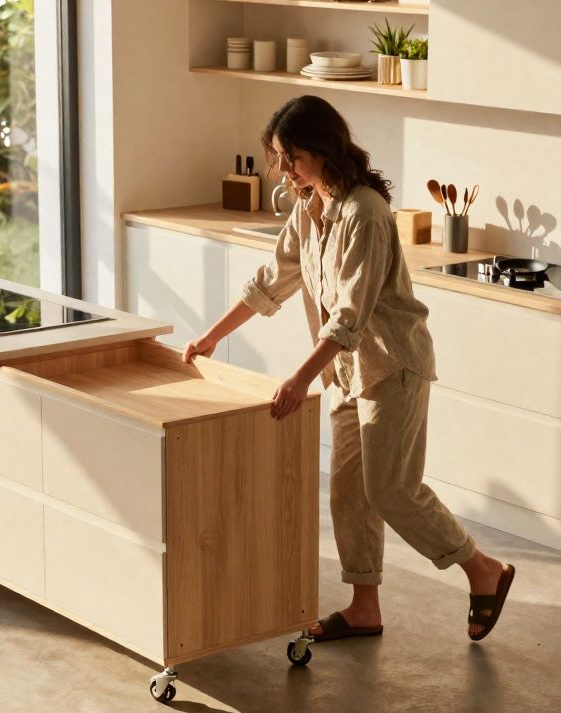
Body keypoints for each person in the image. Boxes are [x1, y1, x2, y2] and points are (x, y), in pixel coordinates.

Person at [184, 95, 515, 641]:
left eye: (292, 158)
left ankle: (484, 571)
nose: (286, 171)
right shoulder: (309, 207)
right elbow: (272, 279)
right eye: (280, 159)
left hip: (392, 366)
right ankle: (365, 608)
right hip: (344, 371)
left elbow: (349, 318)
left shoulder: (366, 213)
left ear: (323, 148)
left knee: (391, 490)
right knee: (347, 493)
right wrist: (211, 337)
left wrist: (298, 376)